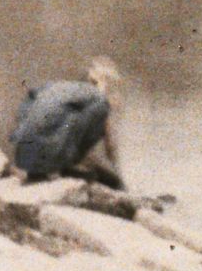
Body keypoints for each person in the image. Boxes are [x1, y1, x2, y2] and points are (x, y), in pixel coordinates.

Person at [9, 57, 124, 190]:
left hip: (25, 157)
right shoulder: (98, 101)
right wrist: (120, 178)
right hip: (55, 159)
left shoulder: (61, 88)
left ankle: (42, 171)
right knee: (111, 181)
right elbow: (110, 147)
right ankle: (69, 170)